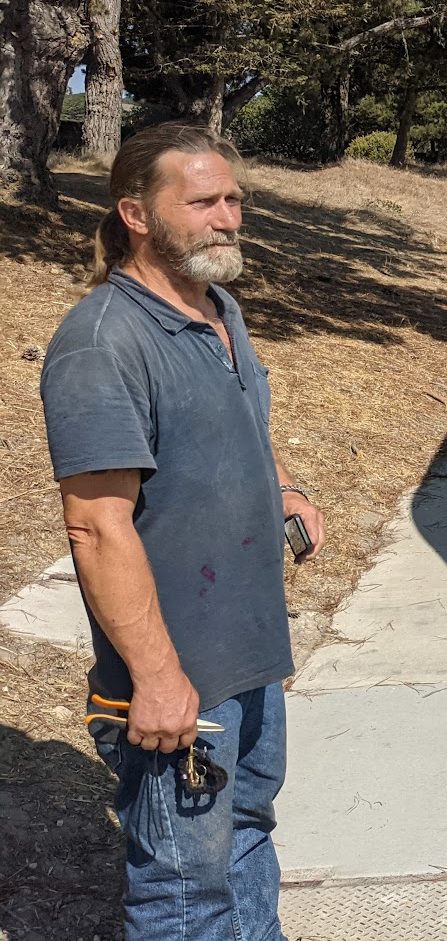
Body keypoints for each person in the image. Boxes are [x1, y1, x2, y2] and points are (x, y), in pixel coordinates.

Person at [38, 123, 325, 941]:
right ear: (136, 212)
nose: (228, 217)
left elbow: (235, 425)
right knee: (183, 894)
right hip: (176, 685)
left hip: (249, 658)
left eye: (234, 199)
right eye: (202, 201)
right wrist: (157, 679)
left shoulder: (216, 307)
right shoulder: (103, 342)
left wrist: (284, 489)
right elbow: (95, 525)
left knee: (244, 844)